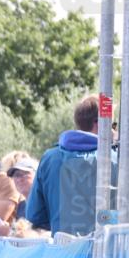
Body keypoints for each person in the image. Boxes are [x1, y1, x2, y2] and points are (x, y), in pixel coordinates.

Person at [25, 95, 118, 236]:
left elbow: (35, 215)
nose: (114, 130)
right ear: (100, 123)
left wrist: (64, 223)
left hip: (66, 252)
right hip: (107, 253)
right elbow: (123, 215)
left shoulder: (49, 158)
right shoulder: (116, 159)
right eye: (113, 125)